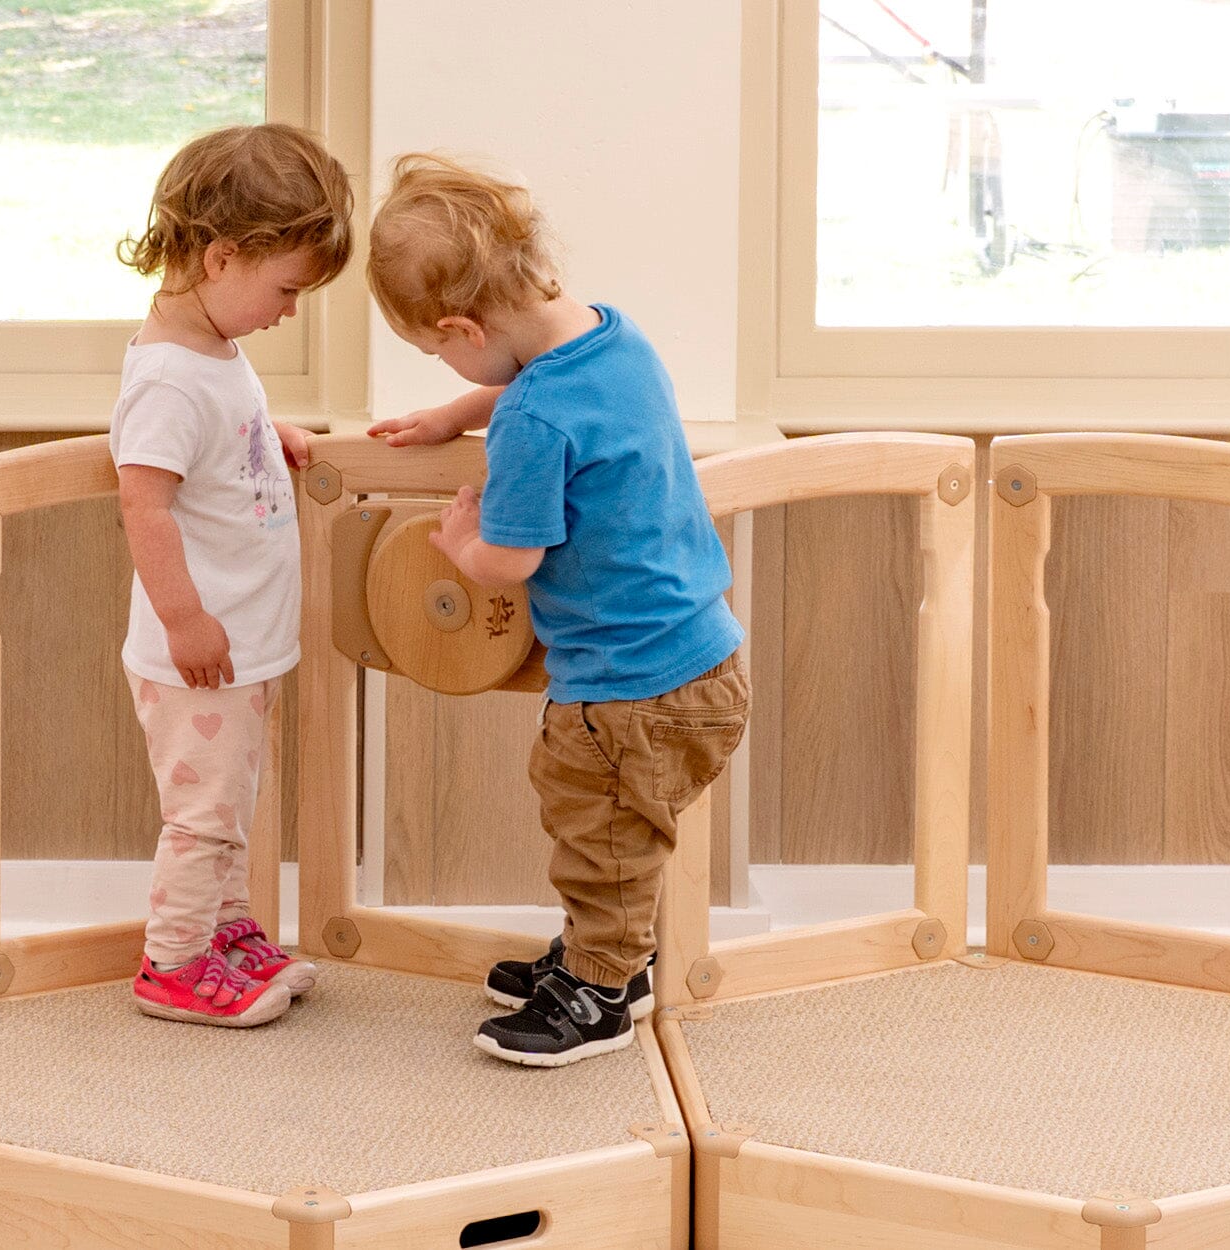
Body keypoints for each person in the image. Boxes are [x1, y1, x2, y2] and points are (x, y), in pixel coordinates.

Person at [367, 154, 751, 1065]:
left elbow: (512, 556)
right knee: (609, 828)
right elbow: (532, 381)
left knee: (601, 838)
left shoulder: (533, 420)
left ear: (462, 326)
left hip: (626, 691)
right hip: (700, 658)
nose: (450, 362)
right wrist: (451, 415)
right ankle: (602, 954)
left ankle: (603, 993)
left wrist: (462, 547)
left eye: (441, 351)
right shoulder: (614, 339)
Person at [111, 123, 354, 1026]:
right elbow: (144, 504)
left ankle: (225, 930)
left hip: (237, 644)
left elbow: (217, 434)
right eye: (287, 288)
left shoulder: (211, 354)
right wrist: (184, 621)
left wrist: (268, 431)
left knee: (230, 805)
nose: (291, 310)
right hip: (198, 654)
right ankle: (173, 965)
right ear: (221, 257)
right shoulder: (170, 378)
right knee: (205, 815)